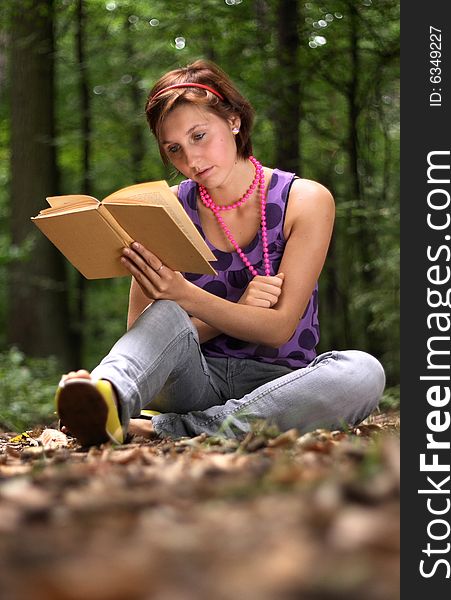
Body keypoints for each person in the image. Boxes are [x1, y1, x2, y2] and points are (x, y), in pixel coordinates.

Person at [56, 59, 386, 446]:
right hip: (193, 379)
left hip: (280, 385)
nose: (191, 161)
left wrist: (186, 296)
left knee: (362, 371)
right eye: (174, 148)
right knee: (163, 312)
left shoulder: (305, 200)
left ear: (234, 120)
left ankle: (161, 428)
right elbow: (146, 335)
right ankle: (108, 395)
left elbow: (279, 330)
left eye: (199, 135)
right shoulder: (162, 209)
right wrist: (224, 309)